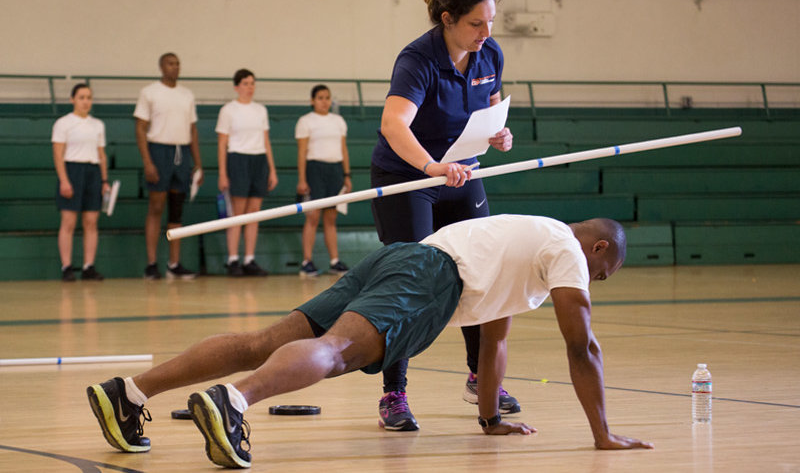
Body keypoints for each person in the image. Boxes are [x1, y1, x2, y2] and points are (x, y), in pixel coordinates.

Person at [87, 214, 654, 469]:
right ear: (598, 250)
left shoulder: (526, 244)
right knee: (337, 353)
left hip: (399, 258)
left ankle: (129, 393)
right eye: (599, 277)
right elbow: (583, 347)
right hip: (431, 279)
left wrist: (489, 421)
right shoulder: (566, 249)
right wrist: (602, 435)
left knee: (264, 340)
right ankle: (231, 403)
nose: (590, 286)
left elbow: (492, 344)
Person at [370, 0, 516, 430]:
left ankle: (481, 377)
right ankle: (394, 393)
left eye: (491, 22)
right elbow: (394, 125)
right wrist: (431, 166)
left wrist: (498, 135)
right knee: (409, 284)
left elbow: (489, 108)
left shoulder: (488, 53)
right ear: (448, 19)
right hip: (408, 175)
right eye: (476, 24)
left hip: (462, 170)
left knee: (480, 273)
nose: (486, 33)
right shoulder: (417, 59)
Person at [134, 52, 203, 280]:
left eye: (178, 63)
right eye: (171, 63)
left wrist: (197, 164)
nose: (175, 67)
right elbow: (140, 128)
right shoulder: (149, 92)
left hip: (181, 151)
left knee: (177, 209)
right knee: (156, 207)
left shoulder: (187, 95)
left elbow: (193, 130)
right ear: (162, 66)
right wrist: (147, 161)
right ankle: (151, 263)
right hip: (159, 150)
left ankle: (174, 264)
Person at [216, 69, 279, 277]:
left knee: (254, 214)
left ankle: (249, 259)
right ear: (236, 86)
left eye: (252, 83)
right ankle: (233, 259)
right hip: (238, 159)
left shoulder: (261, 110)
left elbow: (266, 141)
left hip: (258, 160)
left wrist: (271, 169)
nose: (249, 87)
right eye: (245, 83)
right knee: (237, 214)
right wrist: (223, 173)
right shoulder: (228, 110)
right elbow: (222, 143)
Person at [52, 83, 110, 281]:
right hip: (72, 170)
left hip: (92, 172)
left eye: (89, 97)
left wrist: (104, 180)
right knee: (68, 221)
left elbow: (101, 154)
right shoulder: (63, 123)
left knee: (91, 221)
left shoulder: (98, 125)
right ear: (72, 99)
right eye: (81, 97)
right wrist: (64, 180)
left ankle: (88, 266)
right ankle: (66, 266)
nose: (86, 101)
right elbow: (58, 155)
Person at [295, 84, 352, 277]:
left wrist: (346, 175)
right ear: (312, 101)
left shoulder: (338, 121)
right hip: (314, 170)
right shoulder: (305, 121)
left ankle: (334, 261)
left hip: (335, 170)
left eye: (327, 97)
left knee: (331, 218)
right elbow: (302, 152)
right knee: (313, 217)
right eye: (320, 97)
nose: (324, 101)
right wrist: (302, 179)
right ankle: (306, 261)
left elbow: (343, 149)